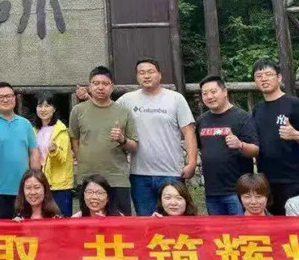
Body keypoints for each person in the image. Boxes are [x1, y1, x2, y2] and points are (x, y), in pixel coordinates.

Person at [117, 58, 196, 216]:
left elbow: (189, 132)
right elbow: (107, 111)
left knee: (174, 220)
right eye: (141, 73)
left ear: (160, 75)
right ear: (137, 76)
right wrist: (87, 97)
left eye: (151, 72)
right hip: (140, 174)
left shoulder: (175, 98)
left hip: (171, 172)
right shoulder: (127, 100)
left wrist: (192, 162)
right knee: (146, 222)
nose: (146, 76)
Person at [252, 58, 299, 215]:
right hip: (266, 180)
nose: (264, 79)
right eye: (259, 76)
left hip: (294, 180)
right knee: (273, 225)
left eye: (268, 74)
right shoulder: (258, 109)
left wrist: (296, 135)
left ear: (279, 77)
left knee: (297, 225)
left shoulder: (296, 104)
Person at [69, 66, 137, 216]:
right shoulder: (78, 110)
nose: (100, 87)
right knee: (88, 224)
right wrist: (81, 160)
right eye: (96, 83)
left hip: (116, 178)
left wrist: (122, 139)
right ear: (89, 86)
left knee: (121, 224)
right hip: (88, 178)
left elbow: (134, 146)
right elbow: (74, 139)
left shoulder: (123, 112)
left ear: (112, 87)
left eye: (105, 84)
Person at [0, 82, 41, 219]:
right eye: (0, 97)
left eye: (9, 96)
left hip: (24, 190)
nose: (5, 100)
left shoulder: (25, 124)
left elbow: (33, 151)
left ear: (14, 99)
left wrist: (36, 177)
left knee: (24, 228)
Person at [197, 75, 260, 215]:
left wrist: (240, 144)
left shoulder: (243, 117)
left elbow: (255, 150)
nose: (209, 96)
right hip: (211, 192)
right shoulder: (202, 120)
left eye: (213, 92)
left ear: (225, 92)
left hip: (237, 191)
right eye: (205, 93)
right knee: (217, 229)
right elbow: (201, 148)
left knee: (241, 228)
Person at [32, 92, 73, 217]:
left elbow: (61, 159)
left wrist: (54, 151)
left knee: (61, 221)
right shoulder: (34, 130)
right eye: (40, 106)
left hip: (59, 185)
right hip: (39, 182)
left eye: (47, 106)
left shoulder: (61, 130)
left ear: (54, 108)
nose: (43, 109)